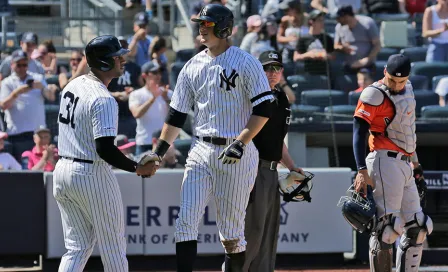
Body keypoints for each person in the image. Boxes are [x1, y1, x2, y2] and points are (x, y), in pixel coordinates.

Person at [143, 4, 274, 272]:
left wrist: (241, 141)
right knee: (185, 222)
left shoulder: (246, 62)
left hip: (236, 151)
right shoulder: (192, 66)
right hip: (200, 149)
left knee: (232, 235)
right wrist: (158, 151)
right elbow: (176, 115)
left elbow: (264, 109)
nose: (202, 28)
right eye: (200, 23)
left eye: (208, 24)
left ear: (224, 27)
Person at [53, 35, 158, 272]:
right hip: (90, 171)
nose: (123, 60)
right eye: (117, 56)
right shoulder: (103, 98)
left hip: (63, 170)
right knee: (113, 246)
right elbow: (105, 149)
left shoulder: (74, 84)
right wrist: (136, 167)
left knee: (77, 247)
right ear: (102, 62)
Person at [353, 54, 432, 272]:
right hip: (383, 158)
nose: (397, 85)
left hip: (405, 162)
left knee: (418, 226)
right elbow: (358, 131)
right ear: (384, 71)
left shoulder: (409, 90)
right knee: (386, 229)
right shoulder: (374, 93)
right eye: (392, 80)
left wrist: (415, 165)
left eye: (402, 81)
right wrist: (361, 170)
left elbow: (408, 131)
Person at [243, 50, 304, 272]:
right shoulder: (250, 96)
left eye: (276, 68)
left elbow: (278, 141)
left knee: (269, 231)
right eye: (267, 68)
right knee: (253, 230)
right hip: (251, 168)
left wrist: (291, 166)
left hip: (271, 171)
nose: (272, 73)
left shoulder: (281, 98)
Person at [0, 49, 56, 161]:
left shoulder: (37, 78)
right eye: (18, 65)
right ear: (12, 65)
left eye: (24, 65)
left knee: (42, 170)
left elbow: (51, 97)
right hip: (17, 135)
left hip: (39, 135)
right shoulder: (7, 82)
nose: (22, 68)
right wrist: (17, 92)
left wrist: (43, 88)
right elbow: (3, 106)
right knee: (22, 174)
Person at [129, 61, 172, 155]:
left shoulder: (168, 93)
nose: (158, 76)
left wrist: (166, 99)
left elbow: (176, 117)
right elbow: (136, 114)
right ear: (144, 76)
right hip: (144, 143)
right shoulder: (136, 94)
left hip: (164, 143)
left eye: (159, 72)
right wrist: (153, 98)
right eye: (154, 72)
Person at [334, 5, 381, 73]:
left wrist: (367, 60)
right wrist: (342, 48)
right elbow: (336, 45)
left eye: (339, 18)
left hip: (366, 65)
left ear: (346, 16)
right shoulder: (339, 27)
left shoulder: (367, 23)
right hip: (349, 65)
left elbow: (377, 45)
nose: (337, 20)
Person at [294, 9, 335, 75]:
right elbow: (296, 57)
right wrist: (309, 54)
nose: (322, 23)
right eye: (319, 20)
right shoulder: (303, 38)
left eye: (323, 20)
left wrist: (325, 55)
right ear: (311, 22)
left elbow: (333, 56)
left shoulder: (327, 38)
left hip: (325, 74)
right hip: (308, 73)